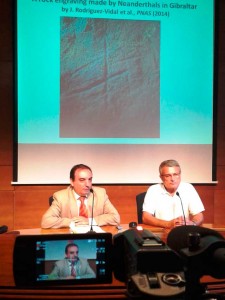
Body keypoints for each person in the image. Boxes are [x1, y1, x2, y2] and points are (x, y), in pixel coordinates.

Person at [41, 164, 120, 228]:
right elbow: (46, 221)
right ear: (72, 181)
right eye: (82, 180)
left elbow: (115, 218)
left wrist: (89, 221)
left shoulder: (100, 193)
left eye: (90, 179)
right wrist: (73, 222)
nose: (87, 184)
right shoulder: (61, 197)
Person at [142, 159, 205, 231]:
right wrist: (168, 224)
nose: (172, 179)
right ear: (161, 177)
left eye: (175, 174)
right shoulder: (153, 190)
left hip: (183, 232)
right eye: (168, 176)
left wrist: (193, 224)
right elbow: (146, 217)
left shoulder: (188, 188)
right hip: (161, 231)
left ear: (180, 175)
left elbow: (199, 215)